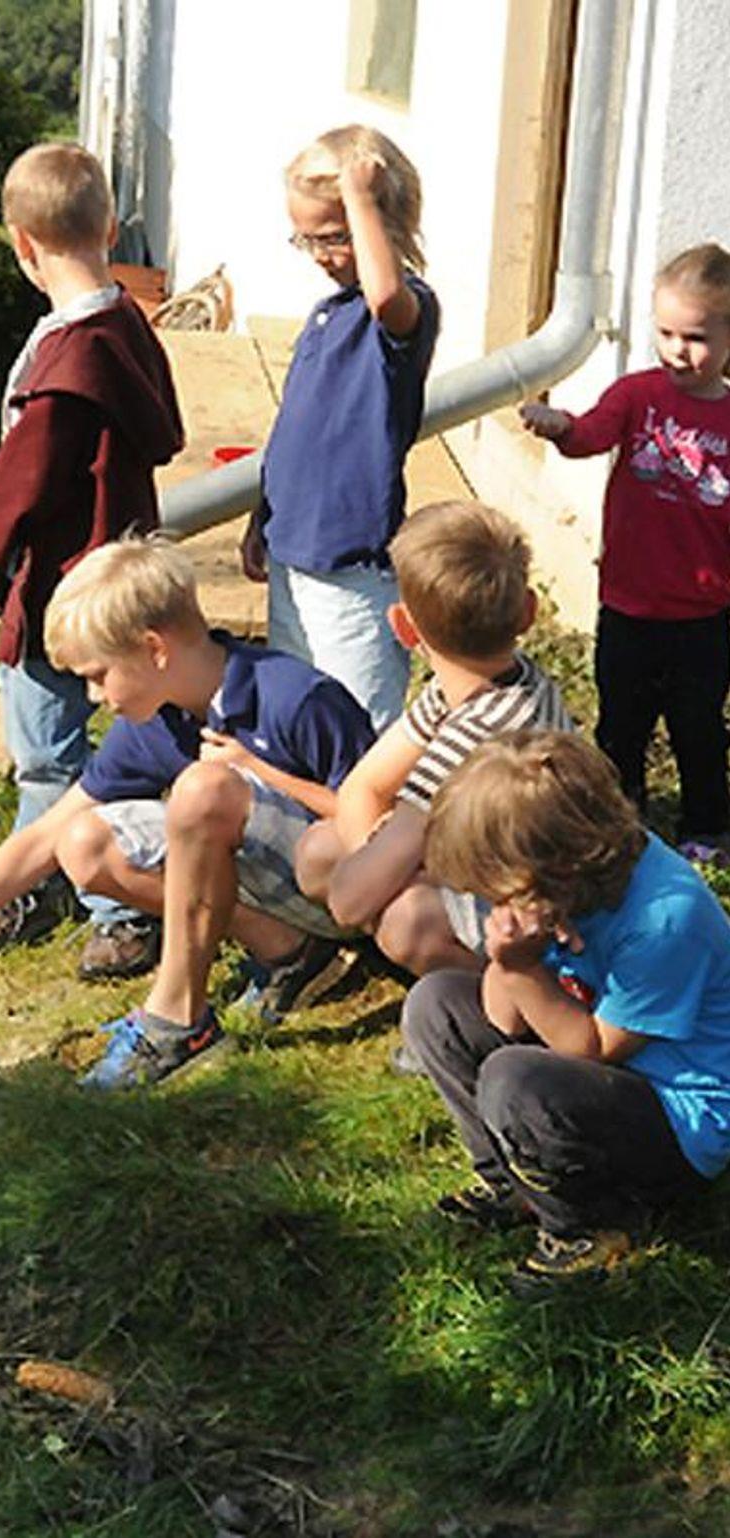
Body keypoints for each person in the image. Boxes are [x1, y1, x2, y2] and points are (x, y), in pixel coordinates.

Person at [0, 538, 375, 1091]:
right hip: (276, 888)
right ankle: (292, 952)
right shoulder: (156, 721)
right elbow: (43, 836)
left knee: (202, 789)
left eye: (98, 675)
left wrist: (258, 772)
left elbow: (380, 823)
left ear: (154, 649)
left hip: (349, 891)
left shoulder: (295, 697)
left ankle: (177, 1020)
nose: (93, 697)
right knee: (82, 842)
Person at [0, 141, 184, 983]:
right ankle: (56, 878)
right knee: (123, 740)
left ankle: (113, 908)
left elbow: (22, 488)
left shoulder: (66, 366)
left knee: (51, 751)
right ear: (111, 228)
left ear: (21, 243)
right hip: (120, 572)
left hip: (64, 587)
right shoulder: (125, 327)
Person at [402, 731, 730, 1293]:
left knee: (516, 1081)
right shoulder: (562, 888)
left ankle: (588, 1226)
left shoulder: (665, 916)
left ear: (554, 866)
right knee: (435, 1004)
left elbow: (595, 1049)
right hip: (592, 1072)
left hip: (675, 1118)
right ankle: (514, 1185)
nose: (494, 905)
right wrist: (508, 961)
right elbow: (503, 1020)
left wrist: (524, 967)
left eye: (498, 891)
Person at [294, 501, 575, 978]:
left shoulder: (476, 737)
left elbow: (346, 902)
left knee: (403, 921)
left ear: (403, 627)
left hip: (541, 914)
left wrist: (378, 875)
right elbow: (363, 786)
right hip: (491, 863)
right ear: (529, 611)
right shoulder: (488, 684)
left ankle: (522, 993)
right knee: (320, 850)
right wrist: (382, 859)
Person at [520, 242, 730, 865]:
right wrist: (561, 427)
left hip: (704, 613)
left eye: (695, 337)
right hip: (629, 603)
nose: (677, 350)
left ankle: (706, 826)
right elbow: (591, 434)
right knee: (621, 723)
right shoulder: (637, 395)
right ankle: (618, 818)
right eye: (665, 333)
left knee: (698, 726)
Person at [242, 125, 440, 732]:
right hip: (292, 554)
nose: (320, 256)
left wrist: (360, 197)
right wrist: (261, 516)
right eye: (306, 240)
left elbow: (386, 295)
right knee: (299, 714)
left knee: (357, 727)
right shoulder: (327, 316)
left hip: (353, 572)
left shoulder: (403, 312)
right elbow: (294, 432)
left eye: (333, 237)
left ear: (383, 220)